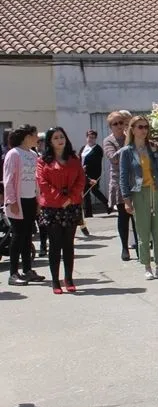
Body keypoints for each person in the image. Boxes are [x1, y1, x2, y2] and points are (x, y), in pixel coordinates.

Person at [119, 116, 158, 281]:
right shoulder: (127, 151)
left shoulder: (152, 148)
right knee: (143, 231)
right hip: (139, 192)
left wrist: (156, 153)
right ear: (133, 129)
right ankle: (147, 266)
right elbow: (123, 176)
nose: (144, 130)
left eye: (146, 127)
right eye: (140, 127)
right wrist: (126, 200)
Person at [37, 127, 85, 293]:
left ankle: (69, 278)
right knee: (55, 245)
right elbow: (43, 184)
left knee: (68, 245)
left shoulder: (74, 158)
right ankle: (55, 281)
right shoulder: (43, 161)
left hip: (72, 206)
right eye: (56, 137)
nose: (60, 140)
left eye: (62, 137)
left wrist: (70, 198)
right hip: (52, 207)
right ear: (50, 141)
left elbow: (81, 179)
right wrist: (61, 198)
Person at [2, 124, 45, 286]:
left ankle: (27, 270)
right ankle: (13, 273)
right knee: (18, 236)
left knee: (28, 236)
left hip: (30, 200)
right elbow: (8, 179)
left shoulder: (33, 154)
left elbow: (37, 180)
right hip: (17, 202)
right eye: (35, 135)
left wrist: (38, 201)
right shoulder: (14, 154)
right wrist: (11, 201)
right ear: (27, 137)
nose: (37, 138)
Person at [104, 111, 138, 261]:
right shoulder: (108, 141)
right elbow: (114, 158)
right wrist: (127, 146)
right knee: (124, 215)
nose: (119, 126)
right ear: (110, 126)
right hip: (119, 181)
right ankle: (125, 247)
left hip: (135, 180)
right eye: (115, 124)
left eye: (121, 123)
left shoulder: (130, 138)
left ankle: (139, 245)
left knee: (137, 215)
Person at [80, 130, 110, 217]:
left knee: (93, 190)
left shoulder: (97, 149)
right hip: (83, 173)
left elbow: (96, 162)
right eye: (89, 137)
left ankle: (107, 205)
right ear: (87, 138)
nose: (91, 139)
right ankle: (89, 212)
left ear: (95, 138)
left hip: (93, 174)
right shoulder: (83, 148)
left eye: (93, 137)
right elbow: (79, 158)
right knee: (88, 191)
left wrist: (87, 167)